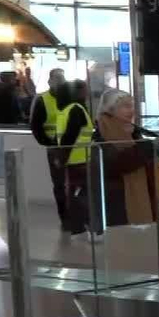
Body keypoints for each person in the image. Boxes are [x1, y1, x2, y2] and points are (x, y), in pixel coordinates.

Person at [90, 90, 159, 228]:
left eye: (132, 106)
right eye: (125, 106)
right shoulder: (102, 134)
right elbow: (113, 165)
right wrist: (144, 149)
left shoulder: (132, 132)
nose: (131, 110)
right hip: (117, 202)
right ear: (110, 109)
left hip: (139, 197)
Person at [30, 68, 71, 229]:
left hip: (73, 146)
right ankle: (65, 218)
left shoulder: (70, 98)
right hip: (55, 148)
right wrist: (48, 143)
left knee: (74, 182)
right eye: (57, 79)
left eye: (62, 78)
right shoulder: (43, 100)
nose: (60, 82)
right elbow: (36, 125)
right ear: (50, 81)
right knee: (60, 183)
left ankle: (76, 216)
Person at [57, 80, 97, 234]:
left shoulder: (65, 110)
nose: (87, 93)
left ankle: (78, 226)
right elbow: (70, 137)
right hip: (80, 161)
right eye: (85, 90)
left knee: (76, 195)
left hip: (75, 161)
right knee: (81, 196)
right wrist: (63, 158)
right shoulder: (76, 110)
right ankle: (81, 227)